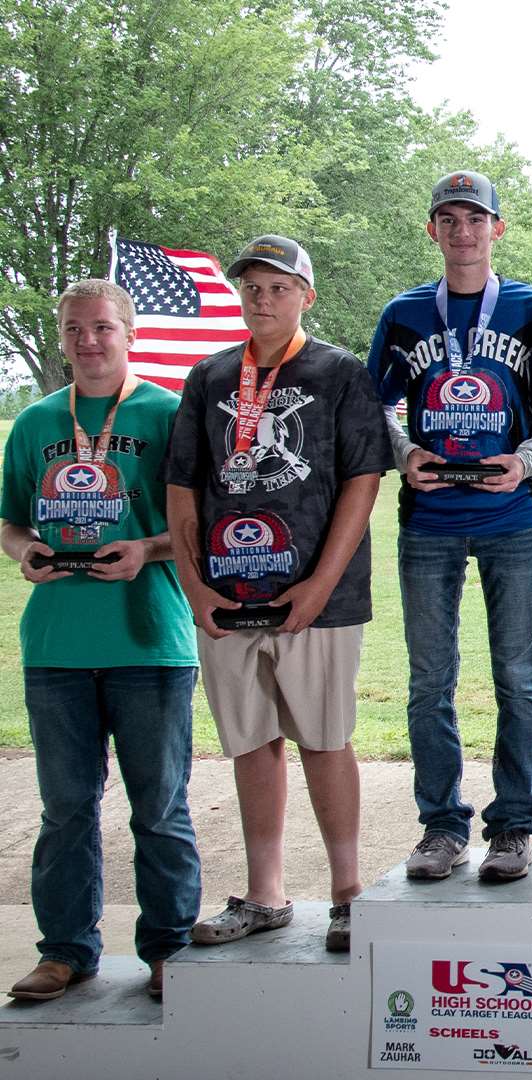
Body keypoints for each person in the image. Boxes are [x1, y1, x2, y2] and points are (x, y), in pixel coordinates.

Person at [166, 236, 392, 953]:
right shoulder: (208, 377)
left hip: (314, 597)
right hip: (227, 594)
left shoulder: (340, 372)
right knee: (250, 742)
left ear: (306, 296)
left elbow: (363, 480)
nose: (262, 299)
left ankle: (348, 892)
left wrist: (321, 586)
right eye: (252, 288)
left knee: (325, 739)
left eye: (278, 287)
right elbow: (181, 487)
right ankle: (265, 894)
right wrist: (194, 586)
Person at [3, 281, 199, 1002]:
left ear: (130, 334)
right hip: (56, 645)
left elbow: (199, 524)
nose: (89, 342)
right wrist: (23, 551)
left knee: (159, 807)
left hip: (150, 643)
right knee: (65, 810)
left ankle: (169, 949)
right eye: (74, 329)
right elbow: (11, 521)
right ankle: (64, 952)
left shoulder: (169, 415)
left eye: (103, 329)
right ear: (61, 337)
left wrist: (143, 552)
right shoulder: (33, 424)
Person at [369, 172, 532, 882]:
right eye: (448, 219)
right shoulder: (405, 312)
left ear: (497, 230)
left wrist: (526, 462)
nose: (462, 231)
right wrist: (407, 453)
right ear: (432, 231)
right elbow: (376, 407)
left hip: (511, 516)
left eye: (475, 219)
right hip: (429, 521)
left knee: (517, 676)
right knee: (430, 680)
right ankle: (442, 827)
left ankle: (513, 825)